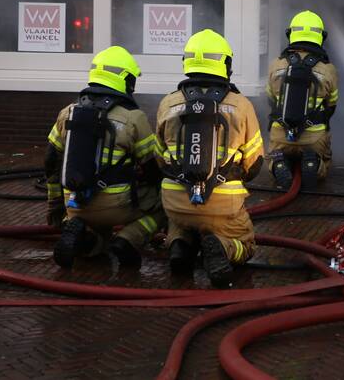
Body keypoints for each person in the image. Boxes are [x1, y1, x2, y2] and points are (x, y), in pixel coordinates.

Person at [155, 29, 264, 287]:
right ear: (225, 64)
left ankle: (179, 244)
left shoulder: (168, 103)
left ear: (187, 62)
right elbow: (255, 162)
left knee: (181, 221)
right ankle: (223, 247)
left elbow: (159, 159)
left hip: (175, 200)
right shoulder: (241, 105)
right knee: (246, 243)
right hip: (223, 203)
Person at [45, 46, 165, 270]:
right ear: (125, 80)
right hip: (116, 205)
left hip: (74, 203)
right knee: (164, 205)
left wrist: (55, 205)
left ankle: (86, 237)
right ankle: (128, 239)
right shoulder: (133, 118)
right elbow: (153, 166)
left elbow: (51, 161)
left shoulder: (68, 112)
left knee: (96, 238)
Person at [265, 10, 339, 190]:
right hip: (313, 138)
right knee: (324, 159)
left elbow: (270, 100)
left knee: (274, 156)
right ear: (321, 36)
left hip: (281, 136)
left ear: (290, 34)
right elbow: (331, 105)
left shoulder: (276, 64)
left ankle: (278, 163)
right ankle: (314, 164)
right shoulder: (328, 69)